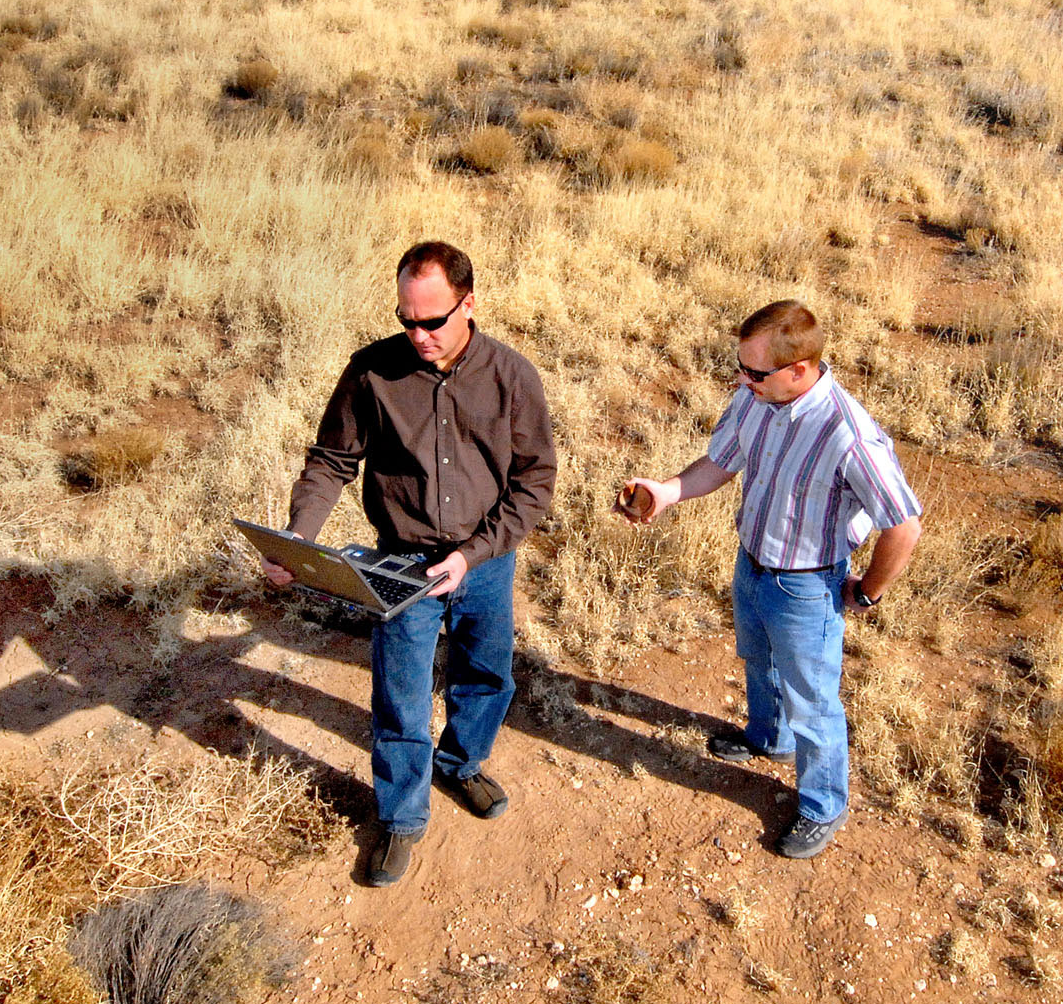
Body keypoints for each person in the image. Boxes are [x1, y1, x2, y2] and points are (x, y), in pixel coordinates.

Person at [263, 241, 556, 887]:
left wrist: (472, 554)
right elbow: (333, 460)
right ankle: (400, 819)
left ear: (469, 304)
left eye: (433, 320)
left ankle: (460, 764)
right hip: (400, 563)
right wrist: (298, 540)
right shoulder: (371, 371)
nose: (418, 335)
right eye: (406, 320)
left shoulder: (513, 377)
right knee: (400, 696)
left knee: (485, 677)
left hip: (486, 560)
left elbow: (535, 484)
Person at [619, 300, 922, 859]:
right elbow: (721, 462)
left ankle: (821, 806)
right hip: (752, 563)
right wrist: (665, 492)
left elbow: (903, 526)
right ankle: (768, 738)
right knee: (757, 659)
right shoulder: (756, 398)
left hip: (807, 585)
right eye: (741, 367)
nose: (742, 379)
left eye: (754, 372)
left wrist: (869, 592)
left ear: (800, 370)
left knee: (814, 702)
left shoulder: (849, 435)